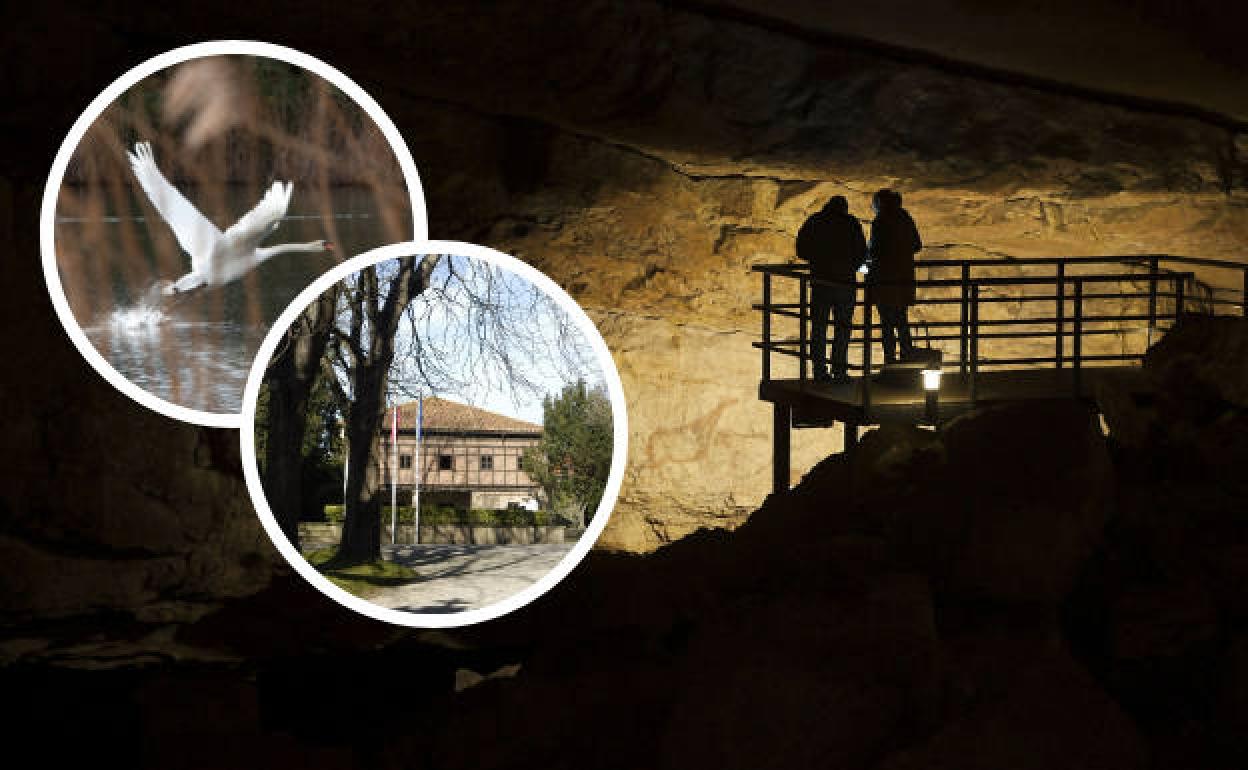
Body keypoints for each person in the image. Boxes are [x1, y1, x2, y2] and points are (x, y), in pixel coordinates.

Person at [796, 195, 867, 383]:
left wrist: (819, 260)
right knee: (842, 328)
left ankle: (819, 371)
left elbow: (801, 249)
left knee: (819, 328)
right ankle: (839, 370)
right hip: (845, 283)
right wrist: (849, 266)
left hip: (821, 282)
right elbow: (862, 252)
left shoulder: (815, 222)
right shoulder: (850, 223)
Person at [864, 189, 922, 364]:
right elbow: (917, 245)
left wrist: (867, 261)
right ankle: (907, 359)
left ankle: (890, 362)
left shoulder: (880, 222)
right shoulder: (906, 219)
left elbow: (875, 252)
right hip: (903, 279)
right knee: (902, 321)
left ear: (880, 204)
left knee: (887, 323)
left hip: (885, 281)